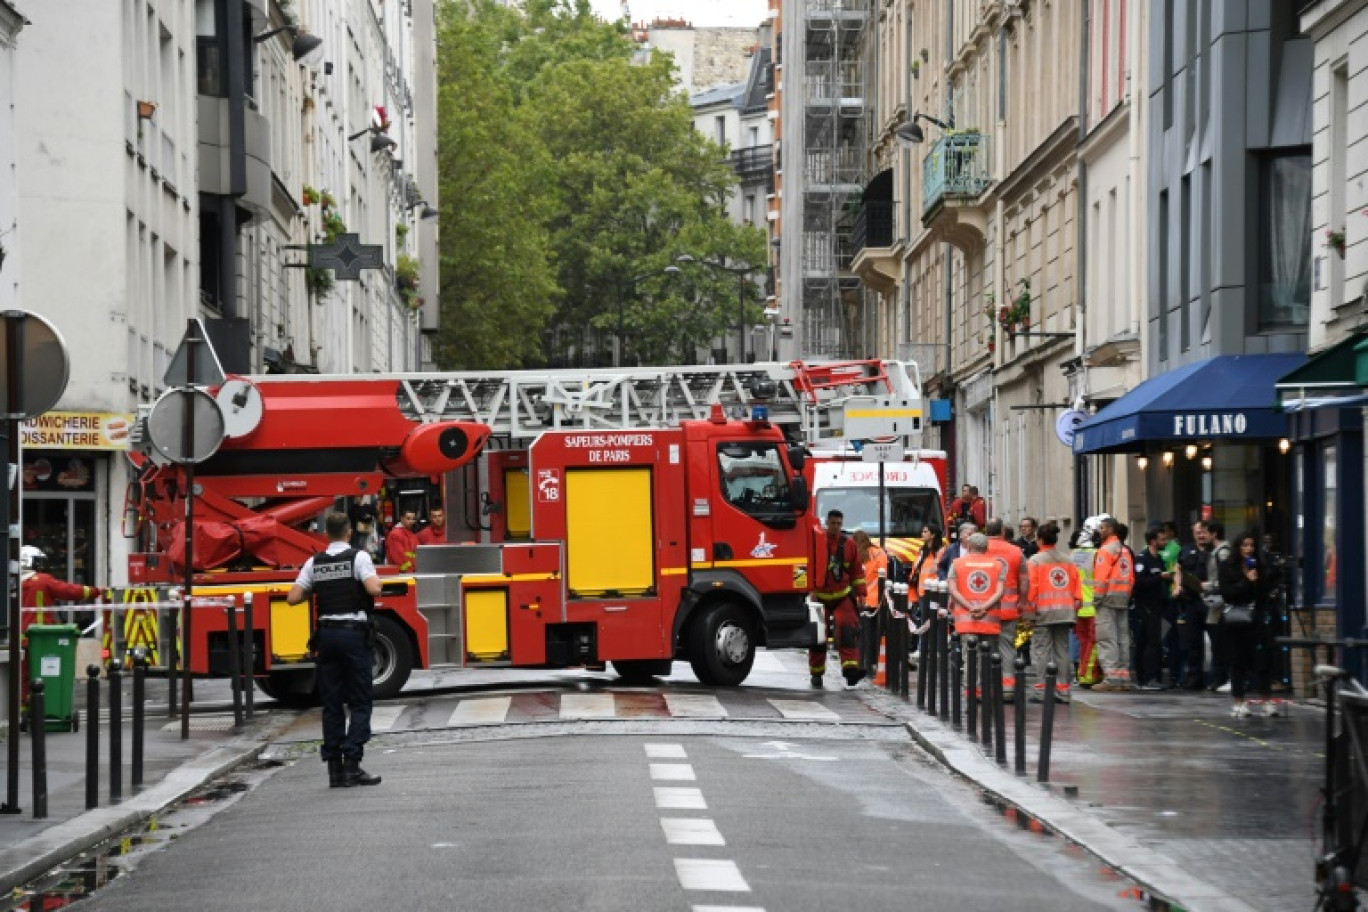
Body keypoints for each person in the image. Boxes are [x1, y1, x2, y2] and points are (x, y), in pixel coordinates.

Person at [287, 512, 384, 788]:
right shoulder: (359, 558)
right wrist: (378, 584)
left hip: (327, 636)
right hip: (353, 637)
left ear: (326, 534)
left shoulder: (313, 562)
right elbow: (373, 589)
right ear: (349, 532)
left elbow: (293, 597)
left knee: (332, 704)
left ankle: (335, 771)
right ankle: (352, 764)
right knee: (360, 701)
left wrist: (315, 589)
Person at [1218, 531, 1274, 718]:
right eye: (1244, 545)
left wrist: (1257, 581)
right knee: (1237, 661)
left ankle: (1266, 701)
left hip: (1256, 618)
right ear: (1238, 548)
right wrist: (1246, 582)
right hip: (1235, 619)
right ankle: (1239, 701)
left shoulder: (1259, 565)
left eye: (1251, 545)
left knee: (1262, 660)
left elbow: (1265, 592)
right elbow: (1228, 593)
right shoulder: (1227, 567)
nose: (1248, 549)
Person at [809, 509, 867, 688]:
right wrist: (810, 590)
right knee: (818, 637)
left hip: (843, 596)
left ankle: (850, 671)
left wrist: (861, 593)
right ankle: (816, 673)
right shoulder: (817, 542)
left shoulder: (849, 545)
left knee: (848, 630)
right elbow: (809, 566)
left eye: (838, 524)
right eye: (832, 523)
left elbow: (857, 571)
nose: (835, 527)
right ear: (827, 523)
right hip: (820, 597)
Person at [1025, 522, 1080, 703]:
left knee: (1041, 651)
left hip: (1043, 612)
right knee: (1062, 651)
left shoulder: (1035, 561)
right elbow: (1076, 588)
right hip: (1065, 611)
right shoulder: (1068, 560)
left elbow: (1031, 589)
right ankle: (1063, 690)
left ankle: (1041, 690)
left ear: (1040, 540)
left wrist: (1028, 614)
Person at [947, 533, 1008, 692]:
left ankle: (972, 690)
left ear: (968, 546)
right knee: (987, 656)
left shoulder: (957, 563)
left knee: (969, 657)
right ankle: (986, 689)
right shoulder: (997, 565)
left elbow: (953, 590)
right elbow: (999, 592)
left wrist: (970, 607)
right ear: (986, 547)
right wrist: (984, 608)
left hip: (967, 619)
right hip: (989, 619)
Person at [985, 518, 1030, 699]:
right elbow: (1025, 582)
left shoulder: (980, 550)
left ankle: (987, 687)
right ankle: (1008, 687)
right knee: (1007, 647)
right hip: (1009, 608)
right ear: (1003, 531)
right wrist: (1022, 602)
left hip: (985, 609)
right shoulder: (1016, 551)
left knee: (986, 647)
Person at [1092, 518, 1135, 691]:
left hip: (1107, 600)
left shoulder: (1105, 550)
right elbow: (1131, 578)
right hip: (1123, 599)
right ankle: (1123, 678)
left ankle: (1111, 679)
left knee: (1106, 639)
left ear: (1110, 530)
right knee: (1122, 639)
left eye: (1102, 528)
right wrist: (1126, 595)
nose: (1099, 531)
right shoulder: (1124, 550)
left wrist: (1096, 599)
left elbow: (1101, 579)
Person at [20, 545, 104, 633]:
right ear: (30, 561)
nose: (40, 565)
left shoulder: (13, 582)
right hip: (39, 636)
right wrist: (95, 591)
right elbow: (69, 591)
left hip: (17, 637)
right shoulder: (42, 580)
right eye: (38, 561)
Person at [1132, 526, 1173, 690]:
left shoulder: (1159, 559)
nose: (1165, 542)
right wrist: (1159, 577)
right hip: (1146, 605)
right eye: (1162, 539)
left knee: (1149, 641)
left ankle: (1150, 677)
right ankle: (1148, 678)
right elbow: (1139, 582)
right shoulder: (1142, 559)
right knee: (1151, 641)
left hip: (1157, 605)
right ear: (1153, 541)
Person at [1174, 521, 1212, 689]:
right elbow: (1178, 569)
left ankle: (1217, 678)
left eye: (1204, 532)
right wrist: (1177, 586)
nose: (1201, 535)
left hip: (1210, 601)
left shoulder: (1215, 551)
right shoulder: (1186, 550)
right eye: (1198, 532)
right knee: (1193, 642)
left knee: (1216, 641)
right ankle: (1194, 678)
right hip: (1191, 600)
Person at [1070, 522, 1102, 687]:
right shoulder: (1097, 554)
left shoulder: (1073, 554)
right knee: (1093, 643)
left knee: (1083, 643)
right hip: (1093, 607)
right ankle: (1087, 676)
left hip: (1078, 606)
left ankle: (1082, 673)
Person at [1203, 522, 1233, 692]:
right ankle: (1219, 677)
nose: (1204, 536)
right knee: (1217, 642)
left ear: (1214, 534)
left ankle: (1223, 677)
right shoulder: (1218, 552)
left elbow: (1224, 578)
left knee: (1220, 642)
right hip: (1216, 603)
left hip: (1220, 604)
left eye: (1206, 532)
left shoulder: (1222, 553)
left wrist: (1209, 585)